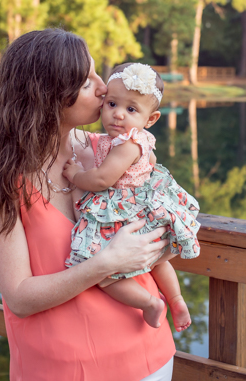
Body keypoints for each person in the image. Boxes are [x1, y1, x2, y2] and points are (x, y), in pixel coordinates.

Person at [0, 29, 176, 381]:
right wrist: (107, 263)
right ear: (48, 97)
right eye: (87, 82)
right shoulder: (0, 181)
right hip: (60, 369)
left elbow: (160, 218)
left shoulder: (110, 151)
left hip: (148, 353)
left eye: (95, 73)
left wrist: (157, 245)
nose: (103, 87)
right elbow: (20, 297)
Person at [62, 62, 200, 332]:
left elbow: (102, 180)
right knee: (155, 262)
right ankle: (176, 299)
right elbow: (152, 162)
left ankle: (150, 303)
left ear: (151, 119)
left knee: (102, 273)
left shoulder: (125, 145)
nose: (118, 115)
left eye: (131, 109)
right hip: (143, 209)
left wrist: (76, 175)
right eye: (112, 104)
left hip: (123, 212)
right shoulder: (142, 139)